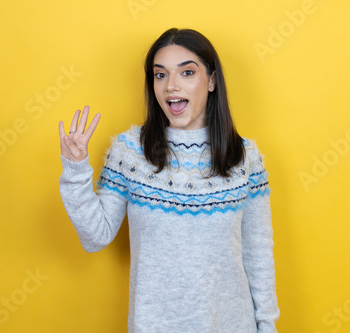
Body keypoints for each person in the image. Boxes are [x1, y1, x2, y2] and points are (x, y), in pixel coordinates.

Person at [58, 28, 279, 332]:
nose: (171, 86)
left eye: (187, 72)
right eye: (160, 75)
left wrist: (267, 326)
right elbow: (96, 237)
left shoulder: (245, 158)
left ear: (212, 81)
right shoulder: (129, 151)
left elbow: (258, 252)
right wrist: (75, 169)